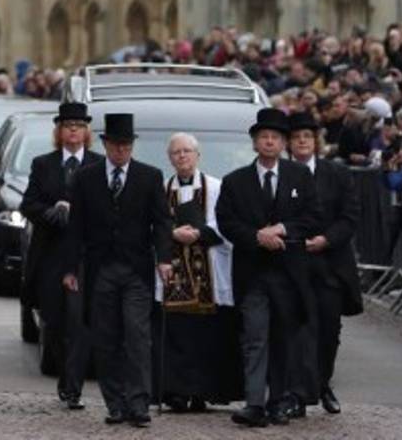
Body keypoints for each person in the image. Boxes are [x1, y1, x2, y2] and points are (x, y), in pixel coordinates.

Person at [62, 113, 173, 427]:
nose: (121, 150)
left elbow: (162, 222)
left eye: (126, 145)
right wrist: (71, 268)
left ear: (132, 146)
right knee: (106, 337)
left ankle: (139, 403)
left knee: (137, 336)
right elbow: (76, 227)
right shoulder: (86, 177)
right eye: (115, 145)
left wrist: (164, 258)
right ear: (106, 144)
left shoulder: (149, 177)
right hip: (101, 270)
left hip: (136, 268)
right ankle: (116, 403)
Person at [217, 108, 320, 428]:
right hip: (253, 273)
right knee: (255, 336)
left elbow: (312, 216)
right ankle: (254, 403)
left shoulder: (300, 177)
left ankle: (279, 401)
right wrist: (256, 237)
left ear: (283, 143)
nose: (270, 142)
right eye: (264, 137)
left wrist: (283, 230)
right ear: (254, 142)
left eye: (275, 137)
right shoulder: (235, 182)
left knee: (284, 338)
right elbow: (226, 221)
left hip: (289, 273)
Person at [19, 101, 102, 410]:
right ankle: (64, 376)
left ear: (86, 132)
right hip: (51, 254)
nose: (73, 131)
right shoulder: (44, 164)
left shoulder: (97, 163)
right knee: (53, 321)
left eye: (79, 126)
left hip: (83, 257)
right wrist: (51, 212)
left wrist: (78, 212)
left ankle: (73, 386)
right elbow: (28, 205)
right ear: (59, 131)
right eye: (68, 126)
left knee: (79, 323)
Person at [153, 132, 242, 412]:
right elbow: (152, 226)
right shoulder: (160, 190)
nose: (182, 156)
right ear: (169, 158)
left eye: (187, 151)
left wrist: (199, 233)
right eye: (176, 152)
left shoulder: (217, 188)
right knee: (177, 335)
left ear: (197, 155)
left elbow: (227, 224)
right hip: (173, 276)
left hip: (210, 273)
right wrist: (171, 233)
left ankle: (205, 391)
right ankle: (176, 392)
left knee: (208, 336)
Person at [285, 112, 362, 417]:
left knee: (329, 329)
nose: (302, 141)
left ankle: (322, 382)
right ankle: (299, 392)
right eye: (296, 137)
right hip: (293, 262)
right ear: (289, 144)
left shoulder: (337, 174)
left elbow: (350, 216)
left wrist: (326, 240)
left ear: (315, 141)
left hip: (330, 263)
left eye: (307, 136)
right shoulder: (284, 174)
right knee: (299, 328)